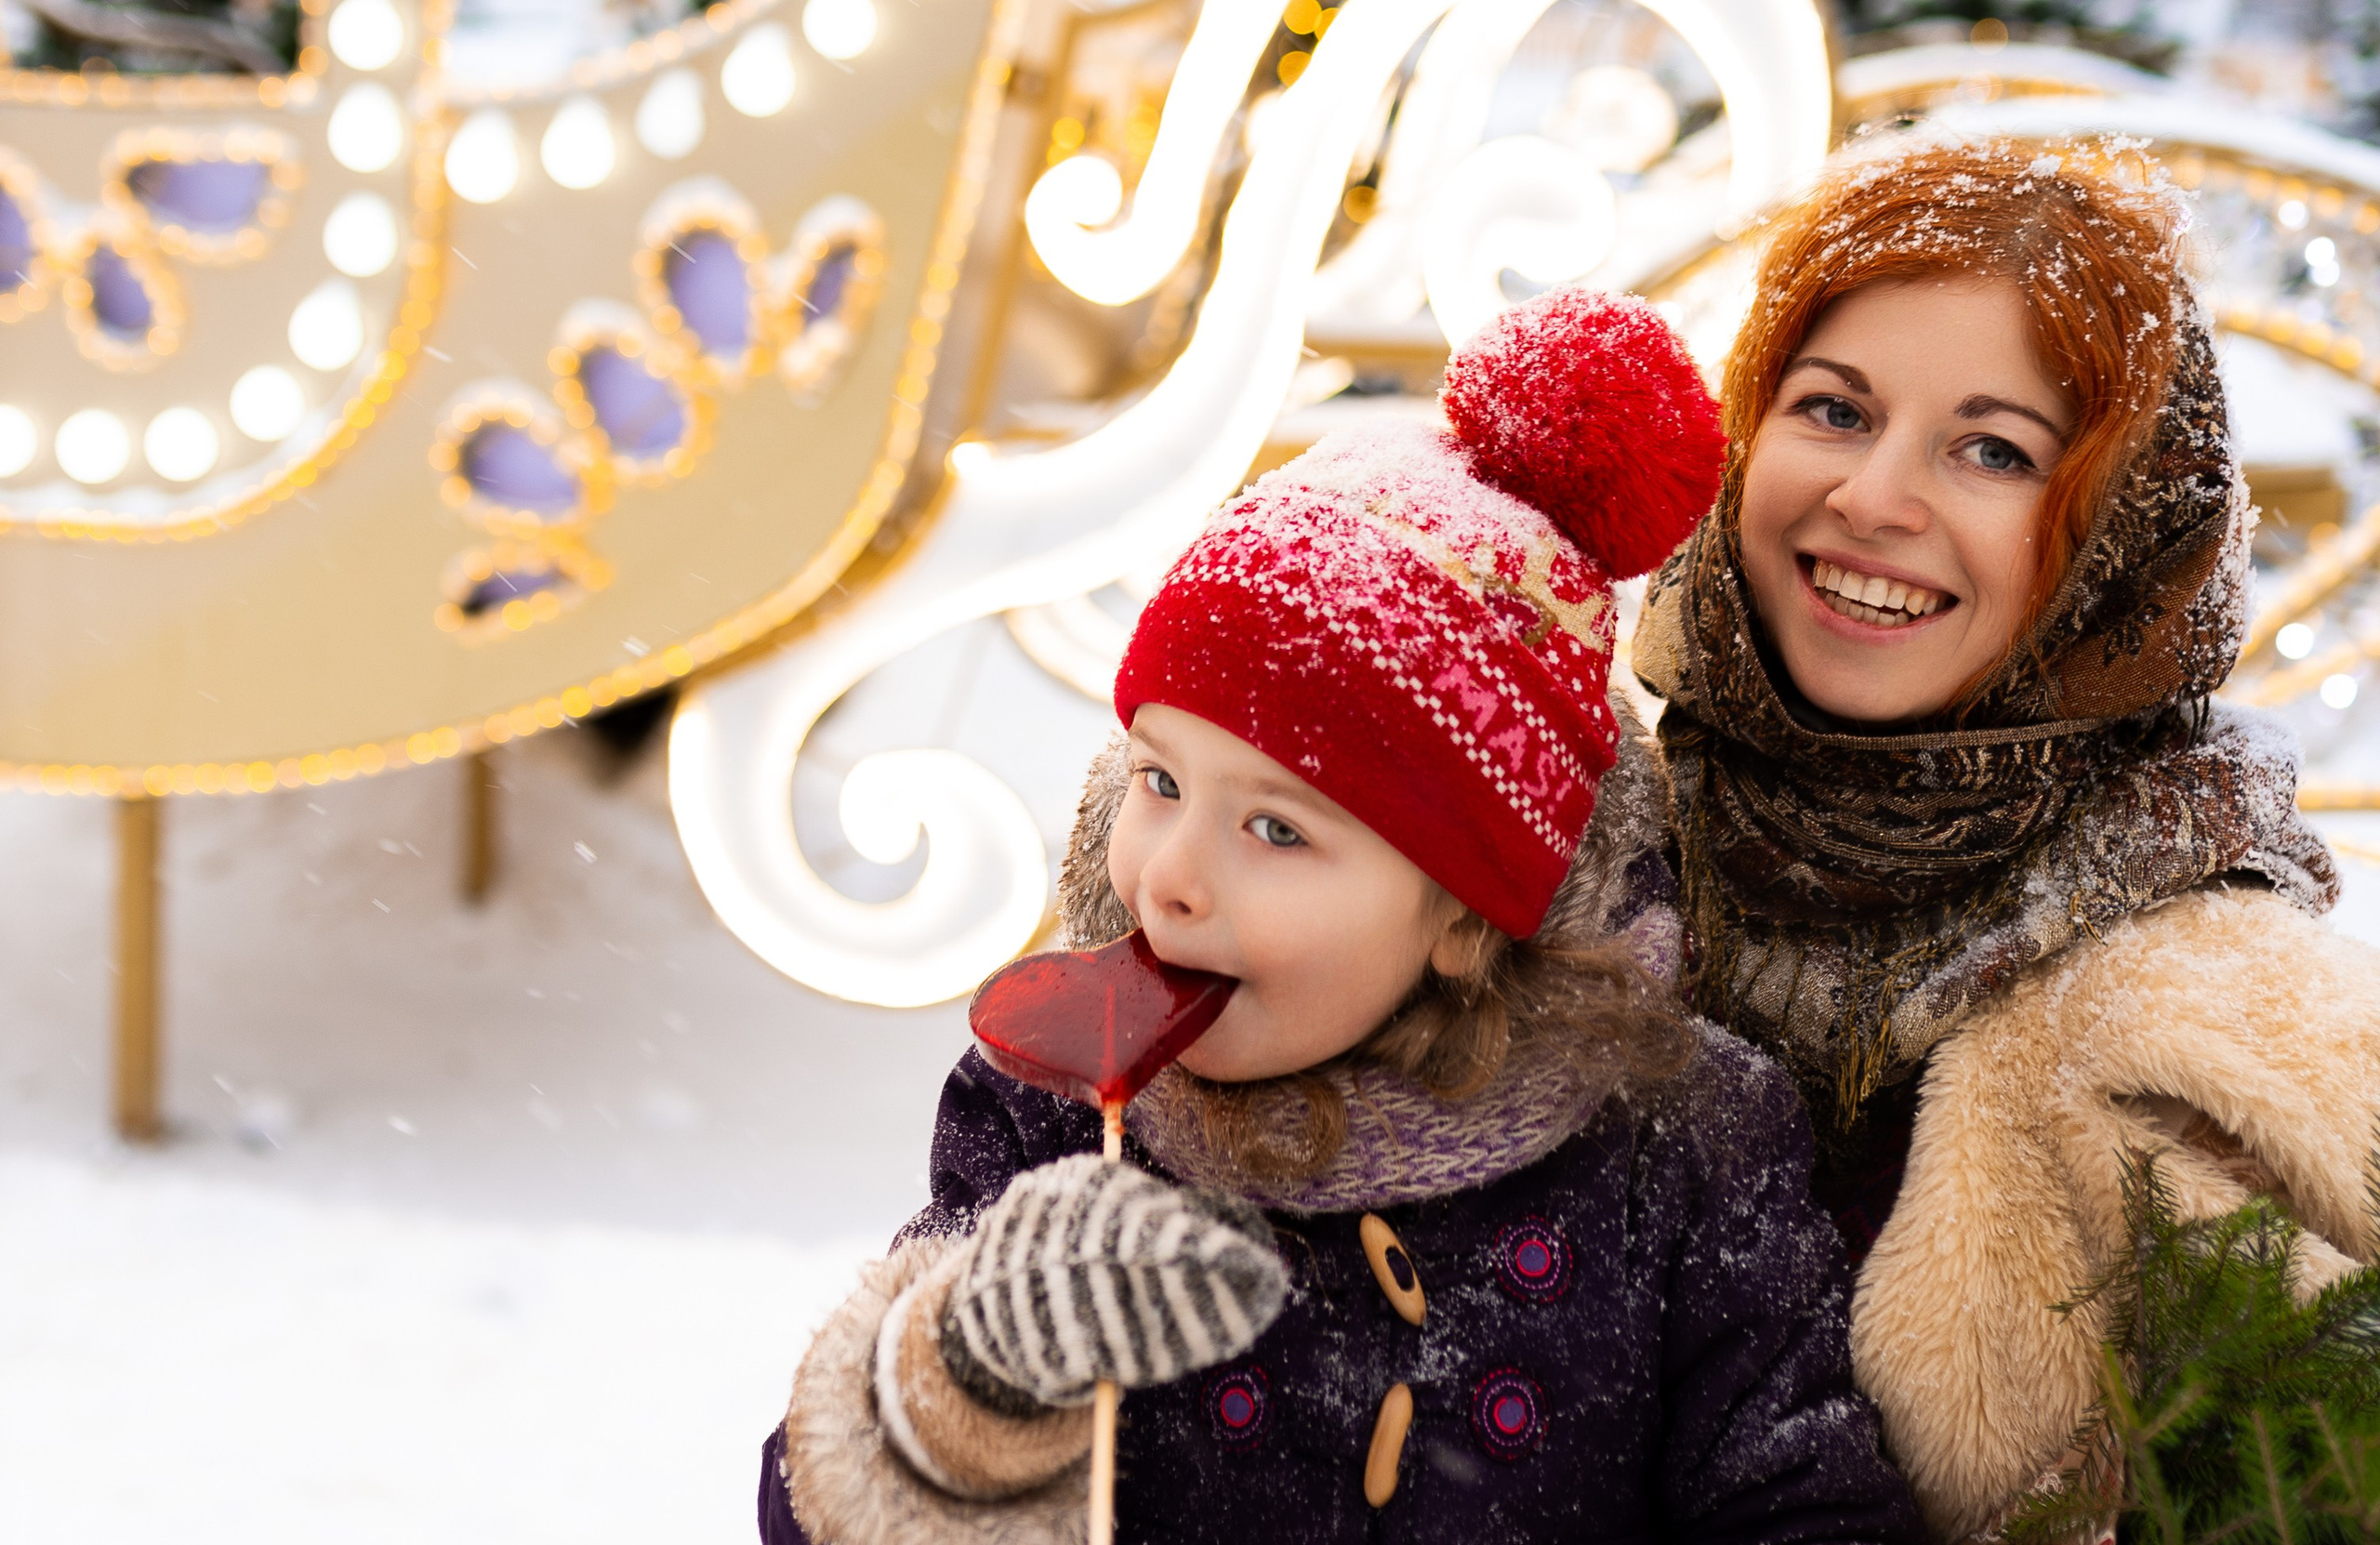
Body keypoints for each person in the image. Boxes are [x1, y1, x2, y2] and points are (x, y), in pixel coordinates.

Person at [761, 292, 1924, 1545]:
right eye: (1161, 782)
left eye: (1277, 830)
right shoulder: (1052, 1112)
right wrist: (972, 1370)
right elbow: (813, 1509)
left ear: (1469, 915)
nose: (1171, 879)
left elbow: (1802, 1496)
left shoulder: (1677, 1140)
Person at [1633, 138, 2380, 1539]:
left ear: (2116, 537)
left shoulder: (2197, 1022)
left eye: (1995, 451)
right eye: (1834, 410)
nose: (1873, 498)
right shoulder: (1566, 856)